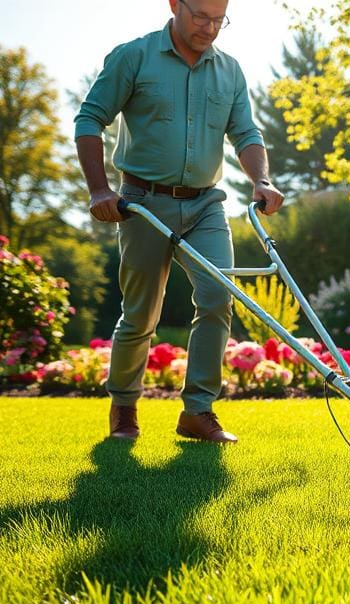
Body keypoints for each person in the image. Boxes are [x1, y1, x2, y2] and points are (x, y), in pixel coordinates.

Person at [75, 0, 284, 443]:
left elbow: (246, 132)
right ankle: (125, 408)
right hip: (142, 202)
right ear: (175, 5)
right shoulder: (134, 56)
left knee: (216, 298)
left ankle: (198, 411)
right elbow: (90, 119)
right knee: (140, 314)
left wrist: (262, 180)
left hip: (207, 204)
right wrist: (99, 190)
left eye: (218, 19)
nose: (210, 28)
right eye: (200, 17)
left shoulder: (229, 70)